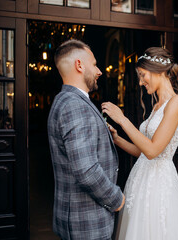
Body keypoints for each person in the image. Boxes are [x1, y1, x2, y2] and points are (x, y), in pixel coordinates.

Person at [101, 47, 178, 240]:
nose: (140, 82)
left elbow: (154, 150)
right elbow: (143, 151)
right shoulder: (156, 106)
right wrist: (117, 139)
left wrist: (122, 119)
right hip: (140, 179)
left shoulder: (177, 103)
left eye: (142, 75)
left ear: (159, 71)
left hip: (158, 184)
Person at [47, 39, 125, 240]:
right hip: (86, 222)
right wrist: (116, 199)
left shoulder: (63, 100)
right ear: (79, 65)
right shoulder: (75, 105)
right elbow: (86, 170)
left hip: (77, 219)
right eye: (95, 64)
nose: (99, 71)